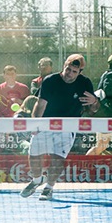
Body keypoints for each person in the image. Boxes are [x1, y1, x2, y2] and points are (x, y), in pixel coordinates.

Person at [20, 54, 99, 201]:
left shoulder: (85, 83)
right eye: (68, 69)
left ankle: (49, 187)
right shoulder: (50, 80)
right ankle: (37, 180)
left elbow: (92, 110)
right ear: (64, 65)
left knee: (58, 159)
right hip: (45, 123)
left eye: (74, 72)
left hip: (68, 126)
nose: (69, 74)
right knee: (34, 156)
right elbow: (40, 104)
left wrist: (95, 102)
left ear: (80, 72)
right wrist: (35, 124)